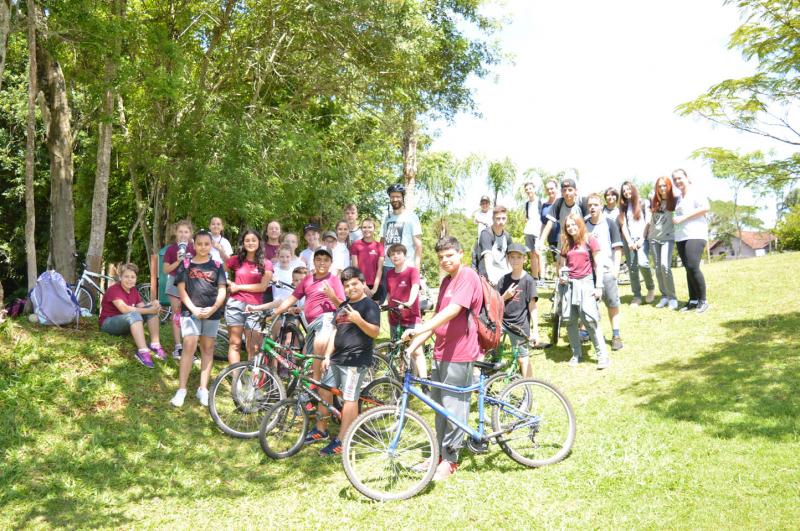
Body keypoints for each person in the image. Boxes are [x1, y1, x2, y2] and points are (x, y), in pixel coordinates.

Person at [403, 236, 483, 482]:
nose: (445, 260)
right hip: (441, 352)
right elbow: (438, 317)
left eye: (449, 255)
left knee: (454, 407)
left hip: (460, 354)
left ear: (460, 254)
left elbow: (453, 311)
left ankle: (451, 460)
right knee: (439, 408)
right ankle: (439, 453)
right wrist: (413, 345)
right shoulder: (446, 282)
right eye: (441, 257)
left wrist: (420, 327)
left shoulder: (467, 276)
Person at [307, 267, 381, 456]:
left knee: (349, 400)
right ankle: (321, 430)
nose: (351, 288)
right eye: (346, 286)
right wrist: (327, 355)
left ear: (363, 284)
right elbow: (334, 331)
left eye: (354, 284)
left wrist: (358, 320)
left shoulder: (369, 305)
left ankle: (343, 440)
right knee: (325, 390)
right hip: (335, 358)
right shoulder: (342, 306)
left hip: (355, 360)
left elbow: (374, 332)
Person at [171, 229, 227, 407]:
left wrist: (214, 308)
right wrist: (194, 309)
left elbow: (222, 290)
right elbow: (181, 291)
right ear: (193, 245)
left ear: (211, 245)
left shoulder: (217, 266)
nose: (203, 247)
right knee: (189, 345)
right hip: (190, 312)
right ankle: (181, 389)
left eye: (207, 244)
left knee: (208, 348)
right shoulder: (186, 265)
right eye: (199, 244)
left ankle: (203, 389)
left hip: (212, 312)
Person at [270, 247, 345, 380]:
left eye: (326, 260)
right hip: (311, 325)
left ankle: (316, 381)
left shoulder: (334, 280)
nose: (322, 263)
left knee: (319, 345)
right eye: (318, 259)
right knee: (309, 358)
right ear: (314, 261)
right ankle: (312, 390)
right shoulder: (308, 279)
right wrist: (275, 313)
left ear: (331, 263)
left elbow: (342, 306)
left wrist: (332, 296)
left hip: (326, 320)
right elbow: (291, 299)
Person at [559, 213, 611, 369]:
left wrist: (599, 287)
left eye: (573, 224)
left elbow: (598, 264)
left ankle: (602, 356)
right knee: (570, 321)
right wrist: (561, 275)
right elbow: (562, 266)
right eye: (568, 226)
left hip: (586, 283)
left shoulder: (590, 240)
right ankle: (576, 354)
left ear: (580, 224)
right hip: (569, 286)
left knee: (590, 320)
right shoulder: (566, 244)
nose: (571, 228)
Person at [99, 263, 165, 367]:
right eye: (126, 276)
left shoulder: (133, 290)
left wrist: (153, 305)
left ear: (136, 279)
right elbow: (125, 309)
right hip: (108, 324)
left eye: (132, 277)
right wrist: (149, 310)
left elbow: (142, 307)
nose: (129, 279)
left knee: (150, 310)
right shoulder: (113, 290)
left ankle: (155, 344)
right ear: (120, 277)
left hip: (125, 323)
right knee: (135, 314)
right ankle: (143, 352)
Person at [224, 229, 273, 364]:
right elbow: (218, 273)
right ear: (243, 243)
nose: (250, 243)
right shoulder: (235, 260)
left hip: (255, 307)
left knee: (253, 346)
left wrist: (238, 286)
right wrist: (229, 283)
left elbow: (262, 286)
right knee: (235, 344)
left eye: (253, 240)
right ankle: (236, 379)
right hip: (235, 304)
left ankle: (252, 380)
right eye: (247, 240)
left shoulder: (266, 263)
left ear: (259, 242)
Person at [584, 193, 624, 351]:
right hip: (589, 273)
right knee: (587, 304)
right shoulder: (584, 225)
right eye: (590, 205)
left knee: (612, 304)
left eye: (595, 204)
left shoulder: (609, 223)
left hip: (607, 271)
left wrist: (616, 270)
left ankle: (616, 335)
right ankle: (585, 332)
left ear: (601, 206)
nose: (592, 207)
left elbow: (617, 248)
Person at [497, 243, 538, 377]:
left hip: (519, 325)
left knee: (522, 358)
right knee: (492, 354)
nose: (515, 260)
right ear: (508, 259)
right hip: (502, 323)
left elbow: (532, 307)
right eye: (512, 257)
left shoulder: (528, 281)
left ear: (524, 259)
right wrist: (505, 296)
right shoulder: (503, 280)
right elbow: (496, 303)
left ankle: (528, 387)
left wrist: (535, 331)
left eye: (518, 257)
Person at [672, 169, 710, 313]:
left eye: (680, 178)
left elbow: (706, 208)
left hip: (696, 234)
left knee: (693, 266)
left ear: (687, 178)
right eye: (675, 179)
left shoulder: (696, 191)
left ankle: (703, 300)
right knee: (688, 268)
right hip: (681, 236)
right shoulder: (679, 197)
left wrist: (683, 217)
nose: (677, 181)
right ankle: (693, 300)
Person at [385, 243, 426, 378]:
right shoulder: (389, 274)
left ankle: (423, 381)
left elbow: (415, 287)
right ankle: (402, 377)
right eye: (392, 254)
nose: (395, 256)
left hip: (411, 317)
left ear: (404, 255)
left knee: (416, 350)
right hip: (394, 318)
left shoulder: (412, 271)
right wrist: (385, 304)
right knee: (398, 348)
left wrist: (409, 302)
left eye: (398, 253)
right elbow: (389, 293)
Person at [618, 181, 656, 305]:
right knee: (632, 269)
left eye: (628, 189)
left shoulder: (644, 202)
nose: (626, 192)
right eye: (624, 191)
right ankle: (637, 296)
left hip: (642, 238)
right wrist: (629, 242)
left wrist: (641, 239)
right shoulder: (623, 206)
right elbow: (623, 225)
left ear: (633, 189)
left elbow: (648, 222)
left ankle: (650, 288)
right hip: (629, 240)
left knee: (643, 263)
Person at [162, 220, 194, 360]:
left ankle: (189, 347)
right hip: (174, 283)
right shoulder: (171, 249)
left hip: (191, 284)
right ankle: (178, 347)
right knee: (177, 314)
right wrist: (178, 261)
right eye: (180, 231)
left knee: (188, 315)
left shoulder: (194, 248)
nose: (183, 234)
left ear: (190, 233)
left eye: (186, 232)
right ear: (176, 233)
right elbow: (166, 269)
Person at [649, 176, 678, 310]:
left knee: (665, 266)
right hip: (653, 238)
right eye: (659, 186)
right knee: (658, 269)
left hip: (668, 238)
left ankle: (672, 298)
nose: (662, 188)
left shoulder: (675, 200)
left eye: (664, 185)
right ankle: (664, 296)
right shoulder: (653, 200)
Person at [537, 178, 589, 252]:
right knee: (561, 263)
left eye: (570, 190)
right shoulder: (559, 203)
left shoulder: (582, 202)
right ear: (561, 192)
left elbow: (589, 224)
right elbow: (549, 224)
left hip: (581, 241)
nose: (567, 193)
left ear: (576, 191)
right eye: (564, 190)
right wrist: (541, 241)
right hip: (565, 242)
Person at [380, 183, 423, 272]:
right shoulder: (386, 217)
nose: (395, 199)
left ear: (403, 197)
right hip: (387, 266)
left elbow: (418, 245)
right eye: (392, 197)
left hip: (406, 266)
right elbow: (382, 242)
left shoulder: (412, 216)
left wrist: (417, 270)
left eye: (398, 196)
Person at [477, 205, 514, 285]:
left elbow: (509, 257)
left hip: (503, 273)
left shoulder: (507, 236)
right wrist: (491, 277)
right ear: (493, 219)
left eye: (503, 218)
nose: (501, 221)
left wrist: (512, 274)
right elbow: (487, 257)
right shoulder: (486, 233)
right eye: (498, 218)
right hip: (489, 274)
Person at [349, 218, 384, 302]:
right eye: (364, 227)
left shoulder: (379, 246)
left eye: (370, 227)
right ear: (361, 229)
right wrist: (364, 285)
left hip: (376, 285)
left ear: (374, 228)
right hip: (360, 284)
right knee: (359, 314)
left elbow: (380, 268)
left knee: (374, 313)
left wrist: (374, 289)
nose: (367, 229)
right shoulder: (356, 245)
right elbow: (355, 268)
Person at [538, 179, 560, 285]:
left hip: (563, 236)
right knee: (556, 261)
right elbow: (543, 223)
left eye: (552, 188)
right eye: (548, 189)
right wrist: (540, 239)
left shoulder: (562, 202)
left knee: (564, 261)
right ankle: (558, 284)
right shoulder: (544, 205)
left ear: (556, 188)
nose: (550, 191)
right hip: (551, 237)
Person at [522, 182, 543, 280]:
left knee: (539, 253)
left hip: (538, 231)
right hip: (528, 231)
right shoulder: (527, 204)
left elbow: (543, 217)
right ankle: (535, 277)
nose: (528, 191)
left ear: (534, 189)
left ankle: (543, 277)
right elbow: (527, 217)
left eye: (530, 188)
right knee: (532, 254)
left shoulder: (540, 201)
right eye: (527, 189)